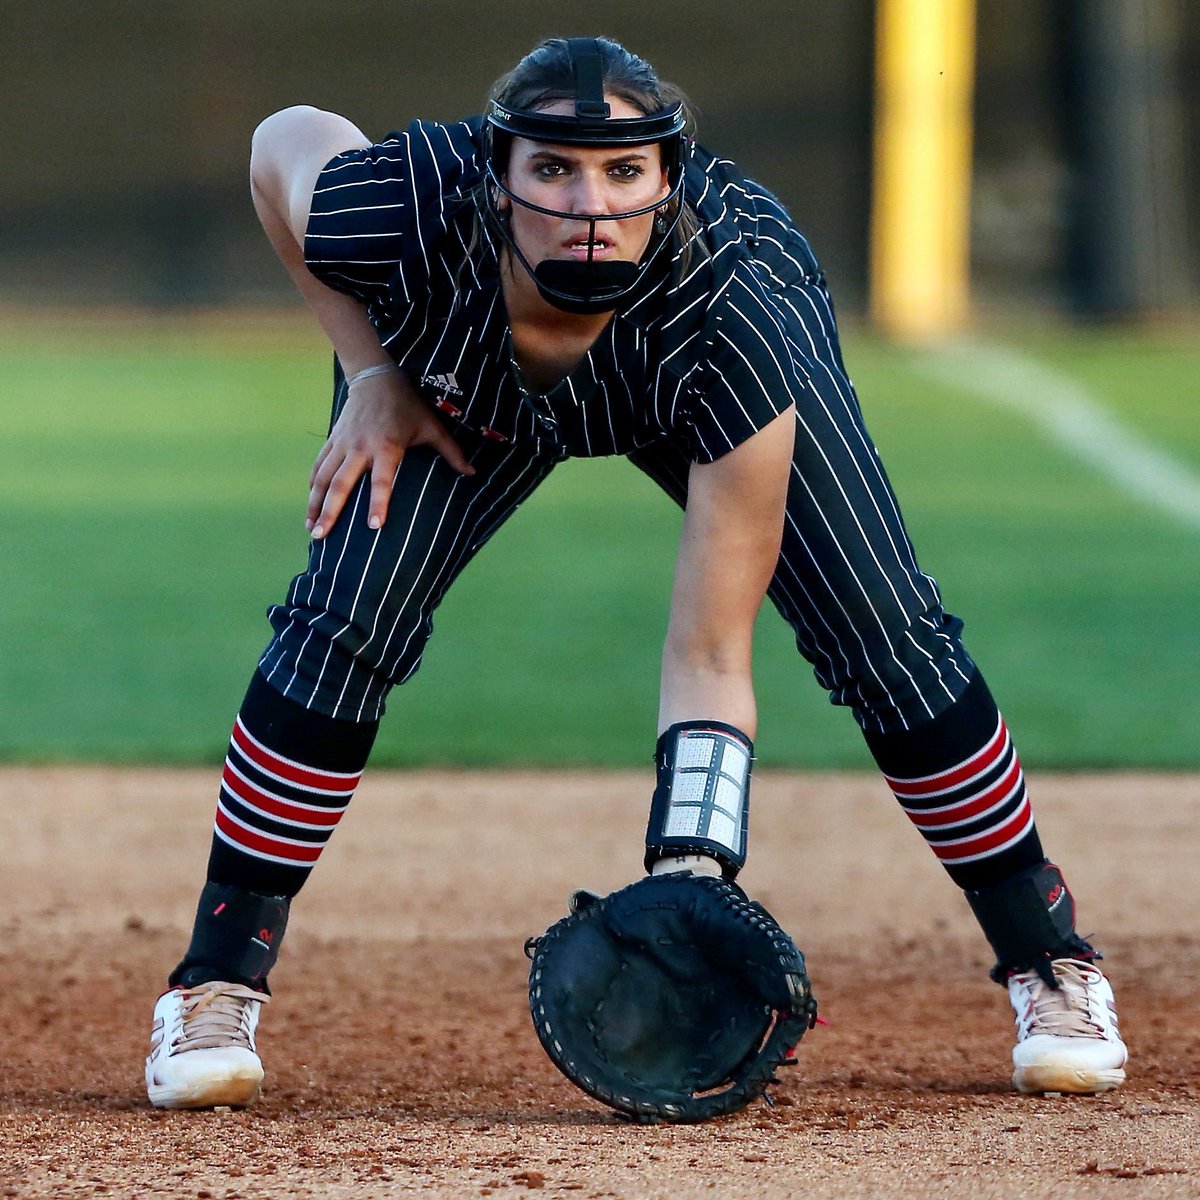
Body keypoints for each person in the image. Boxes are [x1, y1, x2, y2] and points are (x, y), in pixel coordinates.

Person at [144, 36, 1127, 1110]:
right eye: (553, 169)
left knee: (886, 637)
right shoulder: (410, 203)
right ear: (498, 171)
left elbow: (709, 649)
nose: (590, 205)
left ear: (668, 179)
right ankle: (213, 988)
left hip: (685, 374)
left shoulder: (738, 306)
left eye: (624, 173)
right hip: (460, 381)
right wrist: (371, 368)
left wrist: (691, 871)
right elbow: (280, 144)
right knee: (340, 629)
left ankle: (1053, 965)